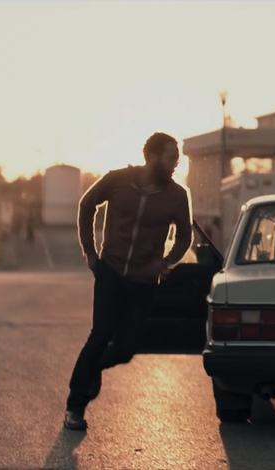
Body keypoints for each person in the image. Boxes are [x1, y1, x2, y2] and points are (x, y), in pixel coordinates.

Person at [64, 132, 192, 431]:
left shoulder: (176, 195)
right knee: (100, 334)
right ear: (152, 156)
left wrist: (166, 261)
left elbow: (185, 235)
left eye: (178, 157)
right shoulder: (117, 180)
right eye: (171, 157)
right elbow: (86, 205)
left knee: (125, 348)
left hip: (143, 281)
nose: (176, 163)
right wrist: (90, 252)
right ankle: (75, 406)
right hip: (110, 270)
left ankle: (91, 370)